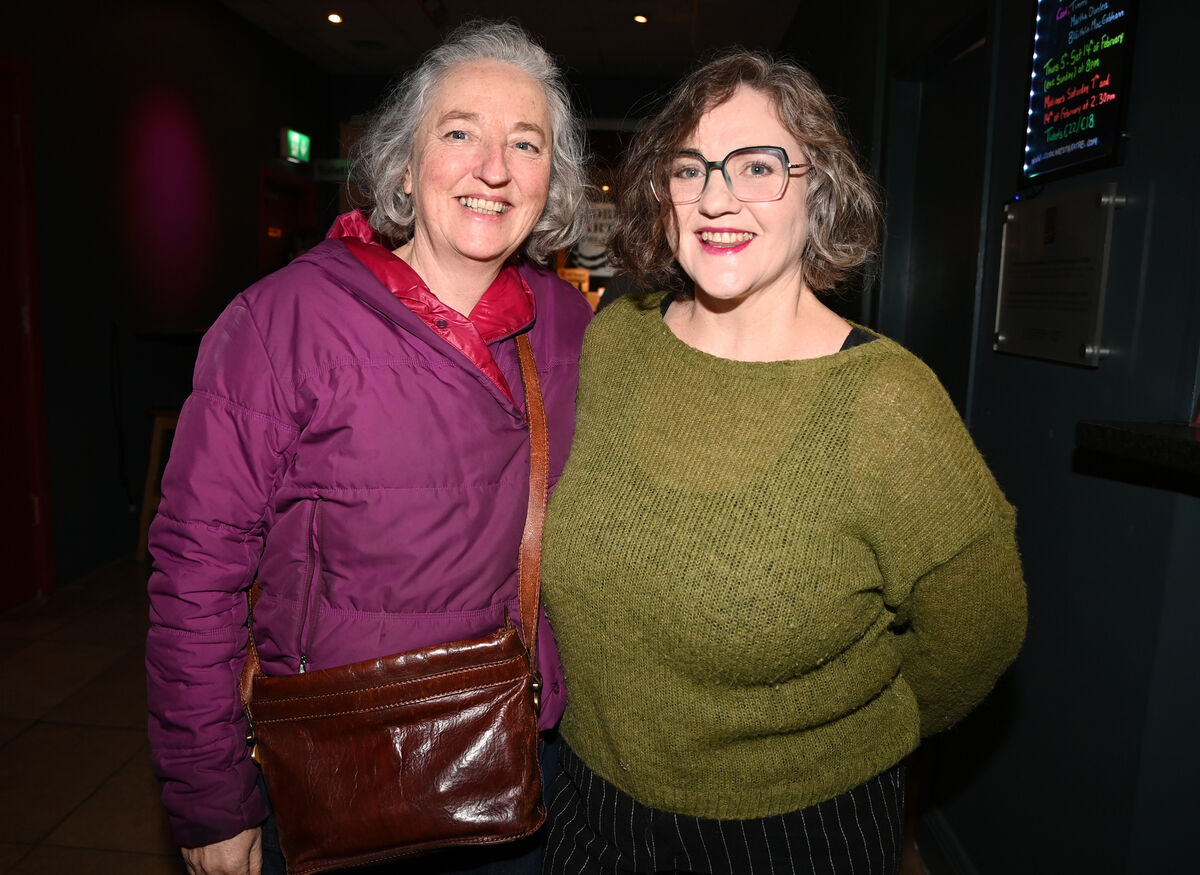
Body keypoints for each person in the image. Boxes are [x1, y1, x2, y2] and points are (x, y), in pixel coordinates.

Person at [539, 50, 1027, 875]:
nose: (717, 197)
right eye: (689, 169)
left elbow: (979, 629)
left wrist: (848, 733)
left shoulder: (887, 403)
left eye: (758, 166)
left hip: (795, 834)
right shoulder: (615, 342)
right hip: (588, 812)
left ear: (821, 188)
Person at [146, 21, 593, 875]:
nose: (493, 167)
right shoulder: (282, 323)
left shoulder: (569, 329)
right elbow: (196, 570)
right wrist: (208, 793)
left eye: (525, 143)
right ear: (403, 161)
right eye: (459, 131)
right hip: (334, 774)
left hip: (513, 778)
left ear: (553, 180)